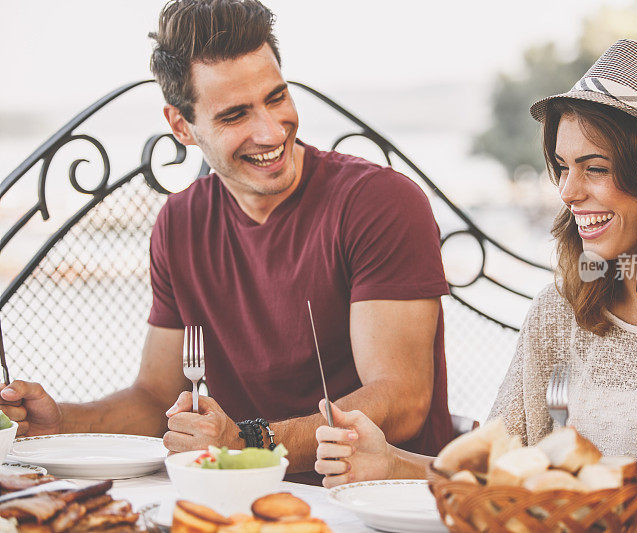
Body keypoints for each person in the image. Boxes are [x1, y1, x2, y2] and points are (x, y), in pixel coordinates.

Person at [315, 40, 637, 532]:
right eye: (564, 167)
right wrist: (391, 463)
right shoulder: (558, 311)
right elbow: (497, 477)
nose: (568, 192)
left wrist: (613, 515)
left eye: (595, 168)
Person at [0, 0, 453, 483]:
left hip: (380, 499)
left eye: (276, 97)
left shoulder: (379, 202)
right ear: (181, 126)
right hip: (237, 493)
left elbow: (400, 401)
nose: (270, 130)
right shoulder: (178, 223)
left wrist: (247, 444)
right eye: (235, 115)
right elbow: (156, 400)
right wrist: (60, 425)